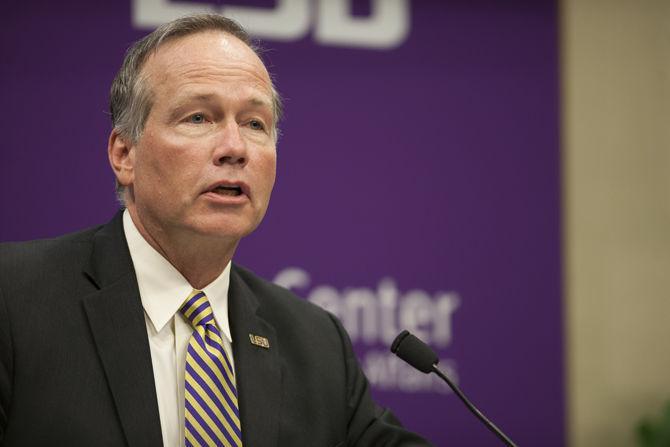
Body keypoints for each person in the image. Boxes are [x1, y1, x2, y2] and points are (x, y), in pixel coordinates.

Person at [0, 14, 432, 447]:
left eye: (255, 124)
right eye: (199, 118)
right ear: (124, 154)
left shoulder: (317, 343)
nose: (235, 148)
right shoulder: (14, 298)